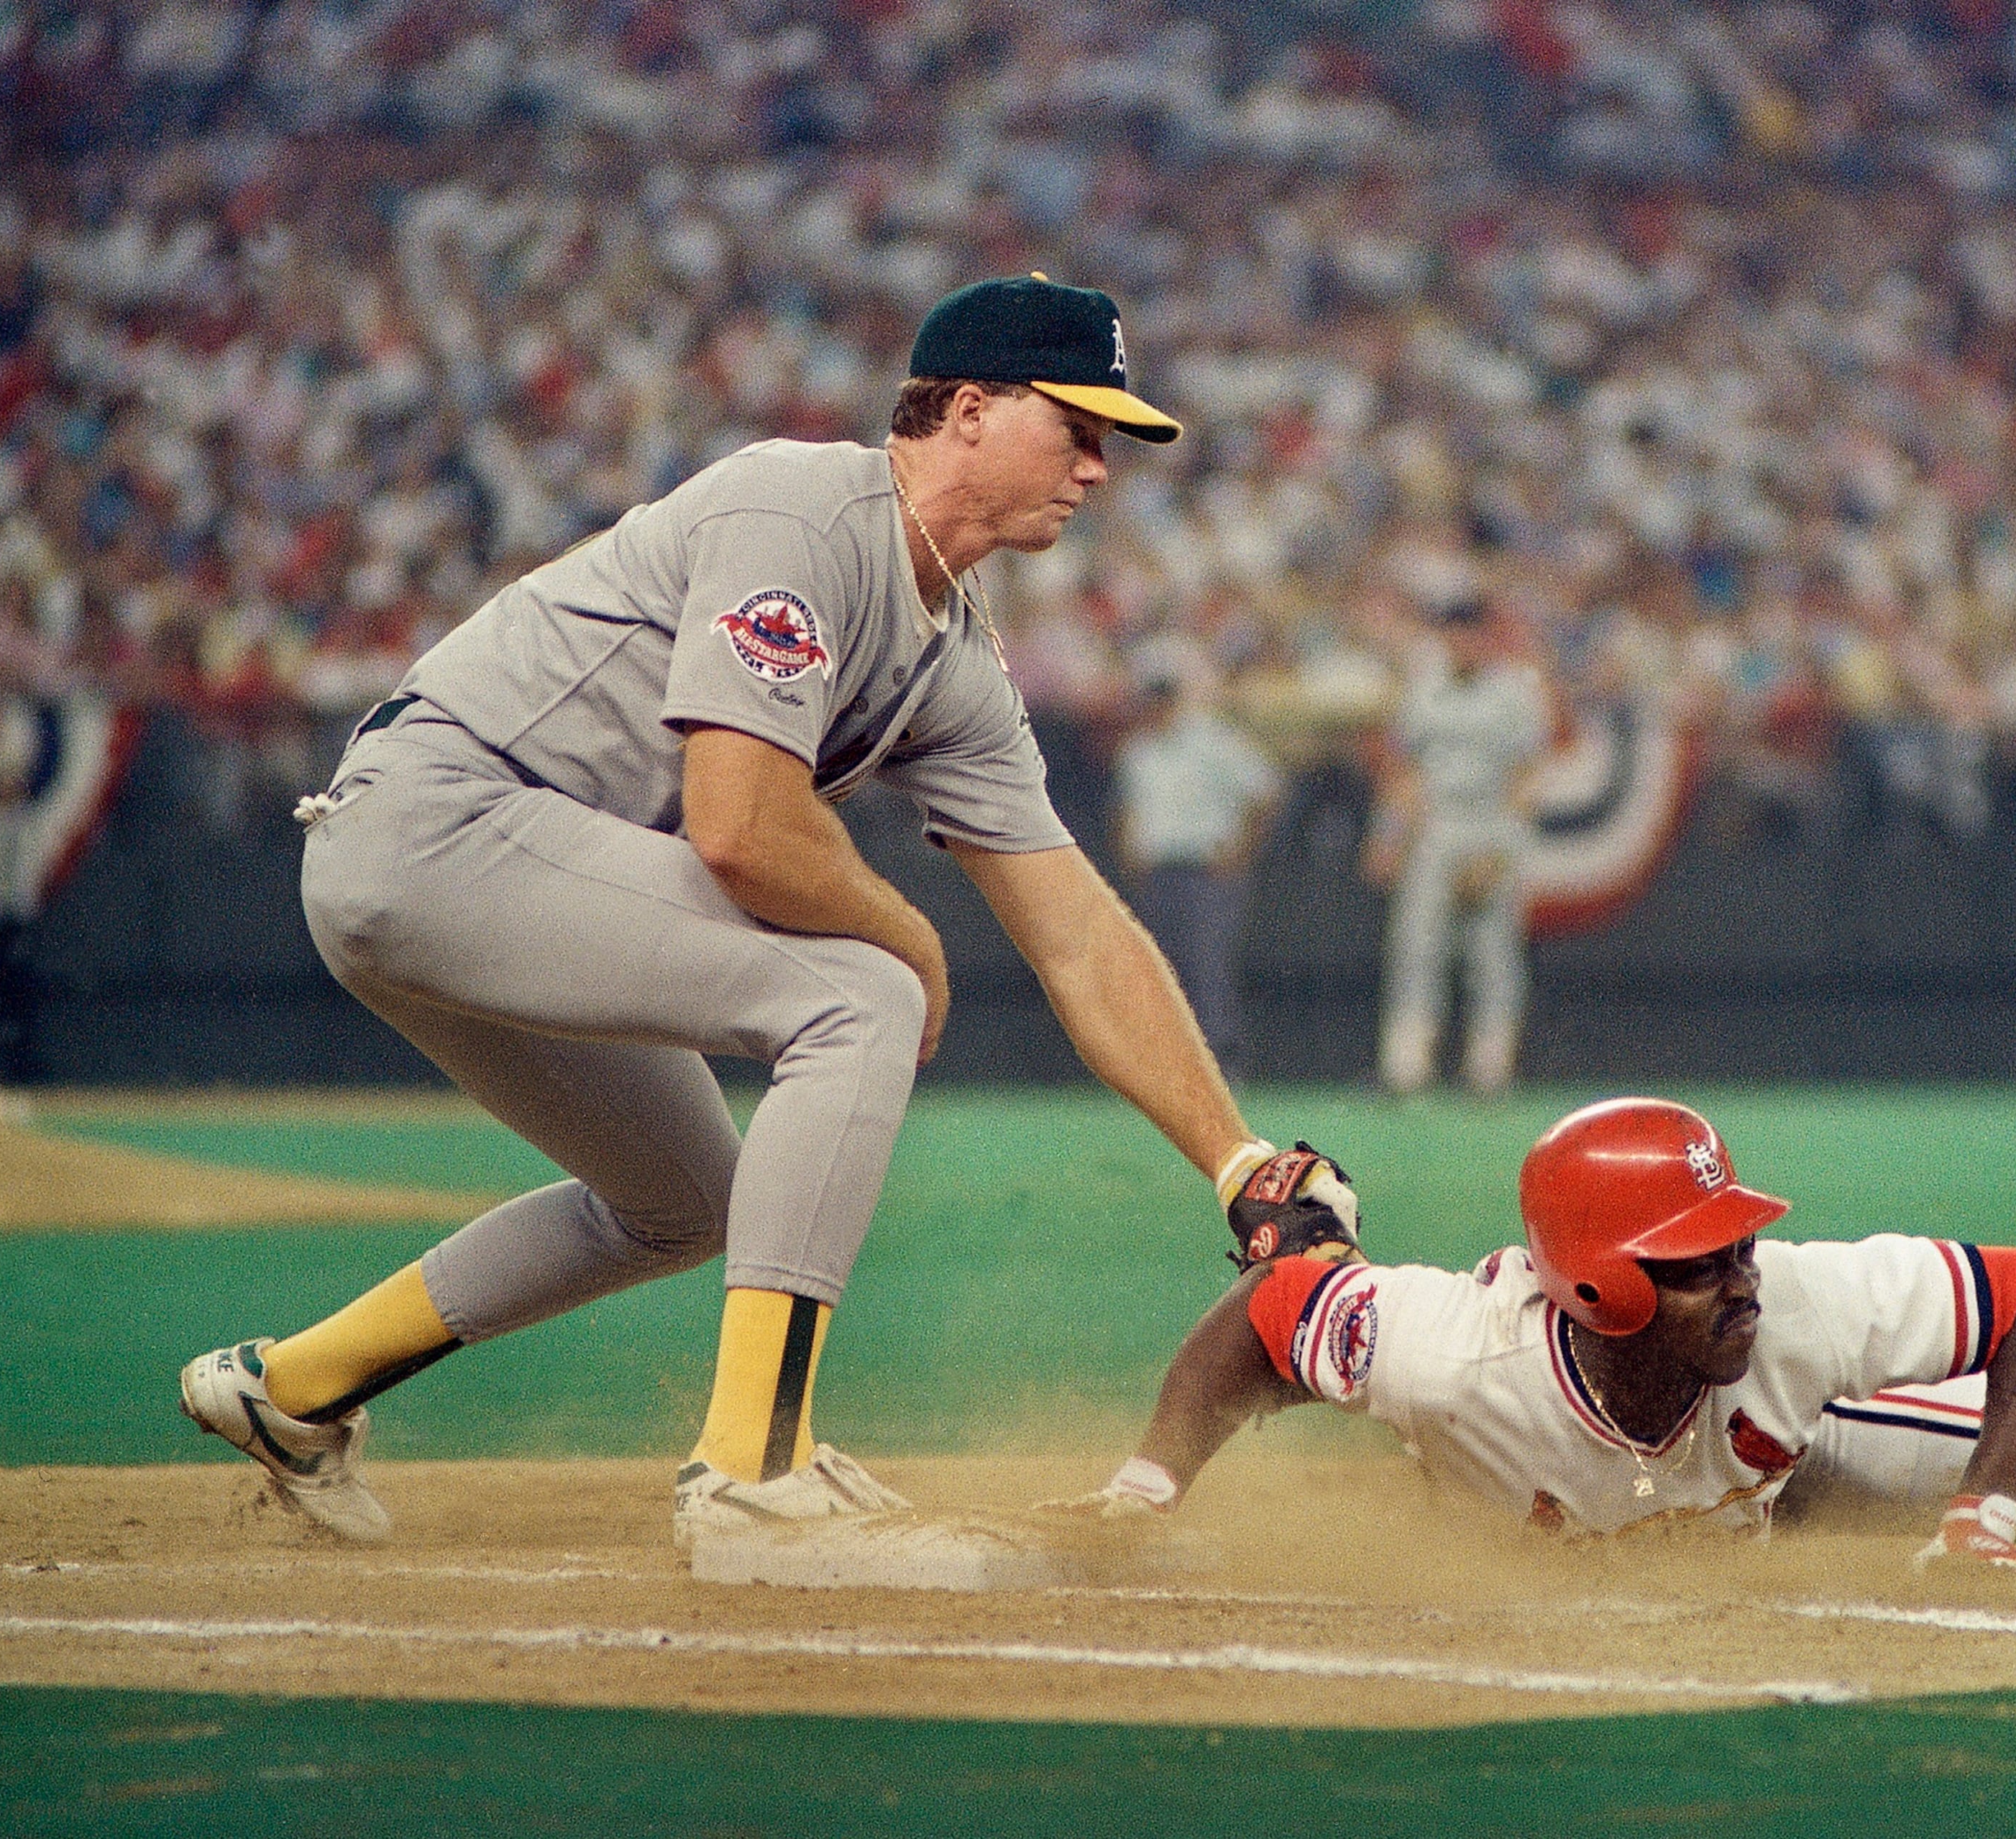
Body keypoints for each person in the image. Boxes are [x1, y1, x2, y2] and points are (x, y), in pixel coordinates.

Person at [179, 275, 1360, 1554]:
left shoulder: (952, 664)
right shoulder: (801, 504)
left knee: (683, 1198)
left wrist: (1239, 1160)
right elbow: (738, 824)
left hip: (498, 869)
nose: (1098, 466)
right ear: (967, 408)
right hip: (437, 821)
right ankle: (751, 1470)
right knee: (861, 988)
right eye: (1077, 425)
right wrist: (903, 930)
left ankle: (291, 1389)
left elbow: (1077, 931)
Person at [1046, 1063, 2016, 1564]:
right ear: (1601, 1283)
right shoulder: (1453, 1359)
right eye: (1698, 1256)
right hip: (1584, 1437)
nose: (1741, 1270)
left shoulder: (1795, 1312)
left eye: (1736, 1240)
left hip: (1813, 1449)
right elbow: (1270, 1320)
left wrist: (1984, 1511)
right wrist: (1147, 1483)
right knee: (1387, 1391)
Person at [1362, 595, 1549, 1096]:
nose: (1462, 642)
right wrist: (1388, 836)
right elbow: (1403, 771)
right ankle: (1407, 1066)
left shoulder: (1515, 693)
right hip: (1435, 822)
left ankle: (1491, 1067)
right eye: (1454, 631)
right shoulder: (1424, 691)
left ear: (1488, 637)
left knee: (1493, 953)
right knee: (1417, 945)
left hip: (1490, 819)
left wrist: (1502, 848)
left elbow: (1528, 774)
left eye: (1472, 631)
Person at [1112, 641, 1283, 1078]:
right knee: (1158, 970)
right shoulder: (1138, 751)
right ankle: (1166, 1069)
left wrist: (1242, 848)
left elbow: (1264, 790)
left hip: (1206, 871)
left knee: (1208, 968)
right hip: (1158, 872)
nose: (1155, 707)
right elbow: (1130, 810)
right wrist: (1131, 852)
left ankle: (1222, 1067)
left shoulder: (1211, 741)